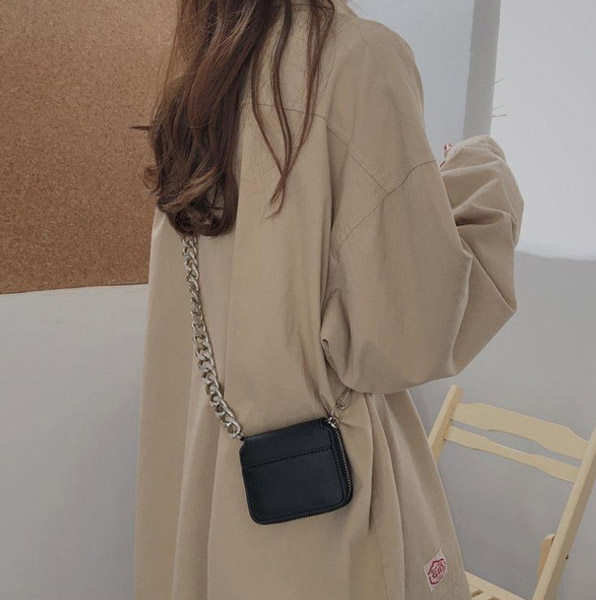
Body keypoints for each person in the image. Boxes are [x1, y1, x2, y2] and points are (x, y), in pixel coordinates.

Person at [133, 0, 524, 598]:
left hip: (203, 478)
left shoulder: (204, 79)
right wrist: (485, 177)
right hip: (324, 517)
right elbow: (410, 336)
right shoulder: (356, 59)